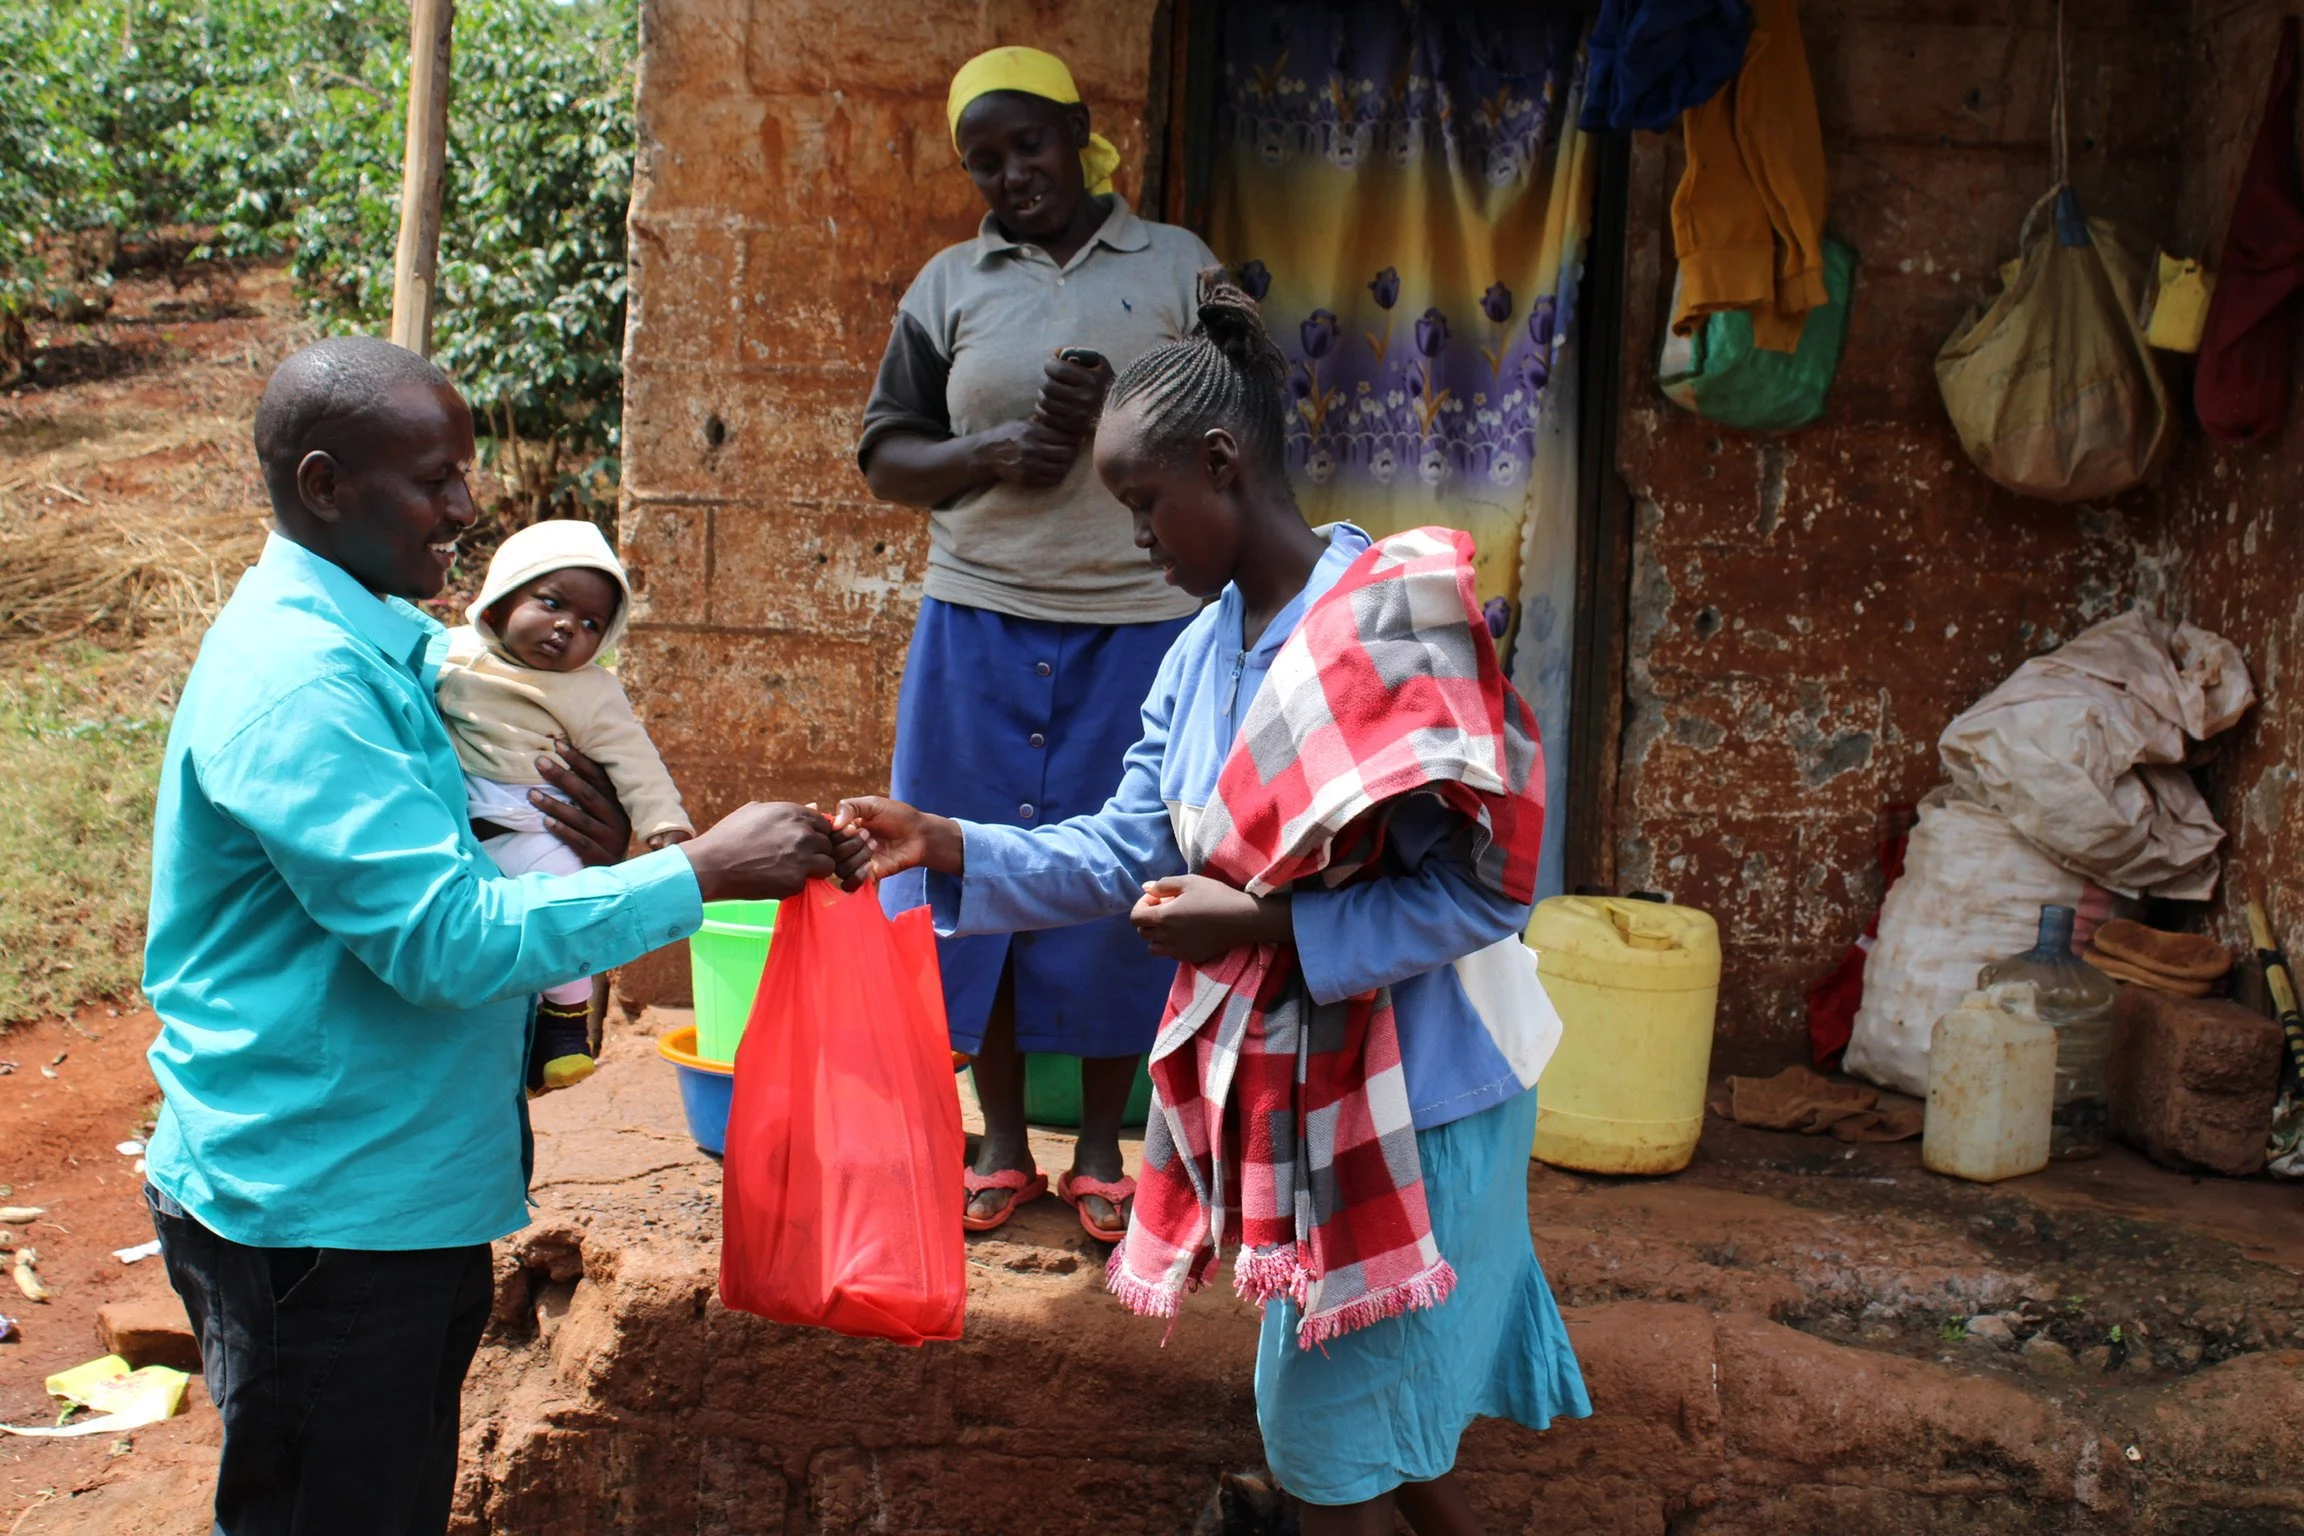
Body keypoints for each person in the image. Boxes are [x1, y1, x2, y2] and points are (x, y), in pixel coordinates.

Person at [837, 277, 1591, 1534]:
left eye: (1143, 507)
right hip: (1311, 1105)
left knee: (1325, 1447)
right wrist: (951, 842)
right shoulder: (1201, 648)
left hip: (1428, 1098)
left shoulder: (1390, 627)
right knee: (1377, 1426)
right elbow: (1133, 842)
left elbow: (1487, 888)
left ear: (1224, 465)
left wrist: (1267, 931)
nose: (1138, 541)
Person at [141, 336, 859, 1536]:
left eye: (463, 474)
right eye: (434, 481)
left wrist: (581, 831)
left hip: (387, 1190)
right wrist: (701, 868)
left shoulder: (396, 649)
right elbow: (443, 939)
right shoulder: (305, 685)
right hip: (324, 1214)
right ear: (324, 487)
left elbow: (481, 825)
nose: (468, 510)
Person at [857, 44, 1221, 1242]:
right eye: (986, 160)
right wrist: (991, 453)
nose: (1013, 175)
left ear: (1081, 133)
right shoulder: (950, 285)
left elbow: (1247, 418)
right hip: (977, 620)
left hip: (1143, 626)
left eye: (1031, 145)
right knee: (974, 870)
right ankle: (1004, 1142)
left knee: (1128, 883)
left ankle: (1109, 1145)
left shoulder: (1178, 267)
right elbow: (886, 455)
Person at [436, 517, 694, 1093]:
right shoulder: (446, 651)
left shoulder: (589, 691)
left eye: (589, 624)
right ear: (498, 603)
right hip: (454, 815)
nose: (565, 627)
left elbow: (635, 759)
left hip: (532, 820)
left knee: (563, 900)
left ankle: (566, 1022)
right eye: (551, 602)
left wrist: (664, 824)